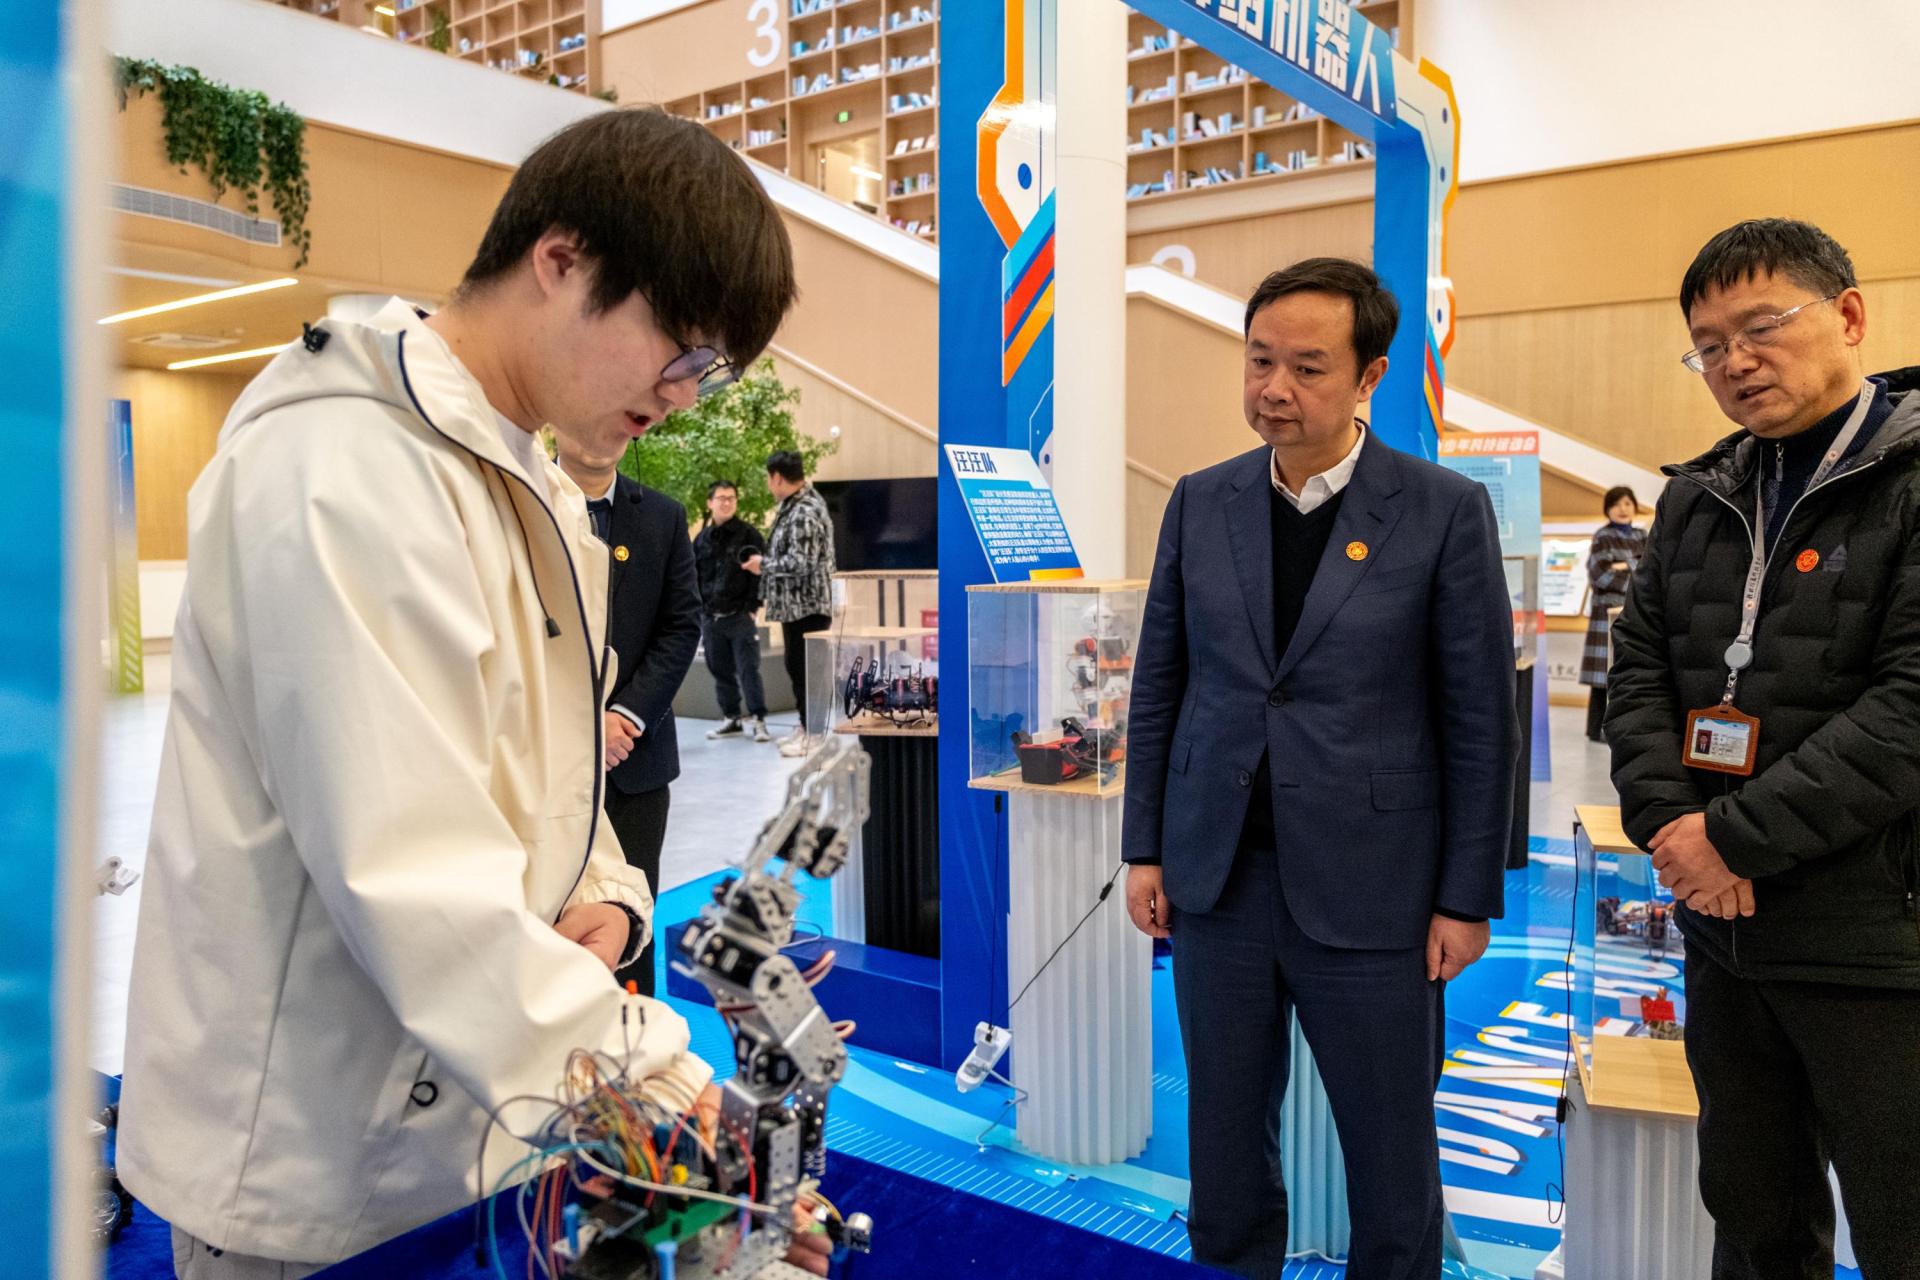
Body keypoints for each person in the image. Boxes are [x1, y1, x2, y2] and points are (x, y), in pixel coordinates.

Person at [115, 109, 814, 1278]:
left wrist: (605, 893)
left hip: (471, 1131)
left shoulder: (528, 478)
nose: (684, 396)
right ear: (563, 260)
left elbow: (547, 759)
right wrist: (662, 1088)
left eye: (707, 373)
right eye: (681, 352)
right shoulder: (341, 471)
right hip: (309, 1165)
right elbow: (410, 867)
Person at [1122, 257, 1518, 1280]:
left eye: (1306, 368)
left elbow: (1480, 720)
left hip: (1377, 891)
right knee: (1222, 1144)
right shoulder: (1200, 502)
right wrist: (1145, 848)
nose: (1275, 390)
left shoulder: (1440, 510)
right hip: (1219, 882)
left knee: (1390, 1153)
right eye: (1259, 361)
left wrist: (1466, 896)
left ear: (1369, 375)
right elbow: (1162, 684)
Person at [1607, 218, 1920, 1279]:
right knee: (1752, 1217)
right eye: (1707, 345)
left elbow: (1908, 708)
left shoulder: (1910, 481)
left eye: (1761, 325)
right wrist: (1673, 827)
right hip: (1725, 932)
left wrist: (1734, 838)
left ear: (1849, 315)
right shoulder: (1699, 493)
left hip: (1877, 939)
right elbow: (1638, 671)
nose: (1735, 361)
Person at [552, 428, 703, 997]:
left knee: (631, 920)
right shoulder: (518, 504)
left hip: (634, 764)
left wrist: (626, 717)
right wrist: (578, 728)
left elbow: (681, 625)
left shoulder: (662, 516)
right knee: (552, 925)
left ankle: (632, 1038)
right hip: (545, 762)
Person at [745, 449, 835, 758]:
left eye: (768, 478)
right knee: (798, 670)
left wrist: (763, 565)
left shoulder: (804, 511)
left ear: (777, 477)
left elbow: (801, 562)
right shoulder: (795, 505)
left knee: (807, 673)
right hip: (795, 607)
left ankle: (815, 734)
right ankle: (806, 726)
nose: (768, 484)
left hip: (807, 608)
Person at [693, 479, 772, 743]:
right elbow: (694, 575)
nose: (726, 503)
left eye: (731, 498)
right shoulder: (701, 539)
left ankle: (759, 719)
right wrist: (700, 611)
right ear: (710, 503)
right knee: (719, 670)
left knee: (749, 669)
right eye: (721, 498)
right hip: (711, 618)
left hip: (740, 615)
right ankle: (731, 718)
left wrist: (752, 608)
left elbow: (760, 574)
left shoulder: (749, 535)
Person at [1580, 485, 1646, 742]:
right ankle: (1596, 729)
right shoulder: (1602, 536)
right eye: (1617, 504)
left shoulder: (1643, 535)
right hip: (1606, 613)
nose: (1623, 509)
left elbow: (1650, 569)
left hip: (1635, 611)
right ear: (1608, 509)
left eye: (1628, 503)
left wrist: (1623, 565)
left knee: (1628, 673)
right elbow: (1600, 575)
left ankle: (1623, 727)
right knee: (1602, 677)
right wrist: (1633, 568)